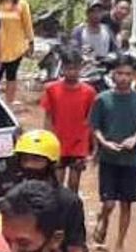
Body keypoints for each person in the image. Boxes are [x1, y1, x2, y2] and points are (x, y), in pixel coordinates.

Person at [89, 53, 136, 252]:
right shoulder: (102, 99)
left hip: (132, 160)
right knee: (109, 203)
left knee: (126, 203)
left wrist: (134, 138)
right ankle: (102, 219)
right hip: (108, 159)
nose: (123, 77)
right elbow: (95, 127)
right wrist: (104, 143)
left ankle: (120, 242)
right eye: (120, 73)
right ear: (113, 74)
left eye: (128, 74)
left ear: (133, 77)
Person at [11, 130, 89, 252]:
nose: (29, 165)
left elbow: (75, 248)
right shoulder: (14, 198)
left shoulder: (68, 202)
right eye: (25, 159)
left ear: (50, 163)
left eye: (36, 160)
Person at [39, 49, 97, 195]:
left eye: (75, 68)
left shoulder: (89, 92)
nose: (72, 72)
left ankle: (71, 215)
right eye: (68, 68)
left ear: (81, 68)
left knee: (74, 184)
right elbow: (48, 117)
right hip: (58, 142)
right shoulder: (52, 89)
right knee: (56, 184)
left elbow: (91, 120)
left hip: (79, 143)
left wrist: (91, 145)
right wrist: (47, 140)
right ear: (62, 68)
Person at [0, 0, 34, 106]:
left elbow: (27, 24)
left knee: (12, 75)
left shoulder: (22, 4)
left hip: (16, 47)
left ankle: (9, 102)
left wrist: (31, 41)